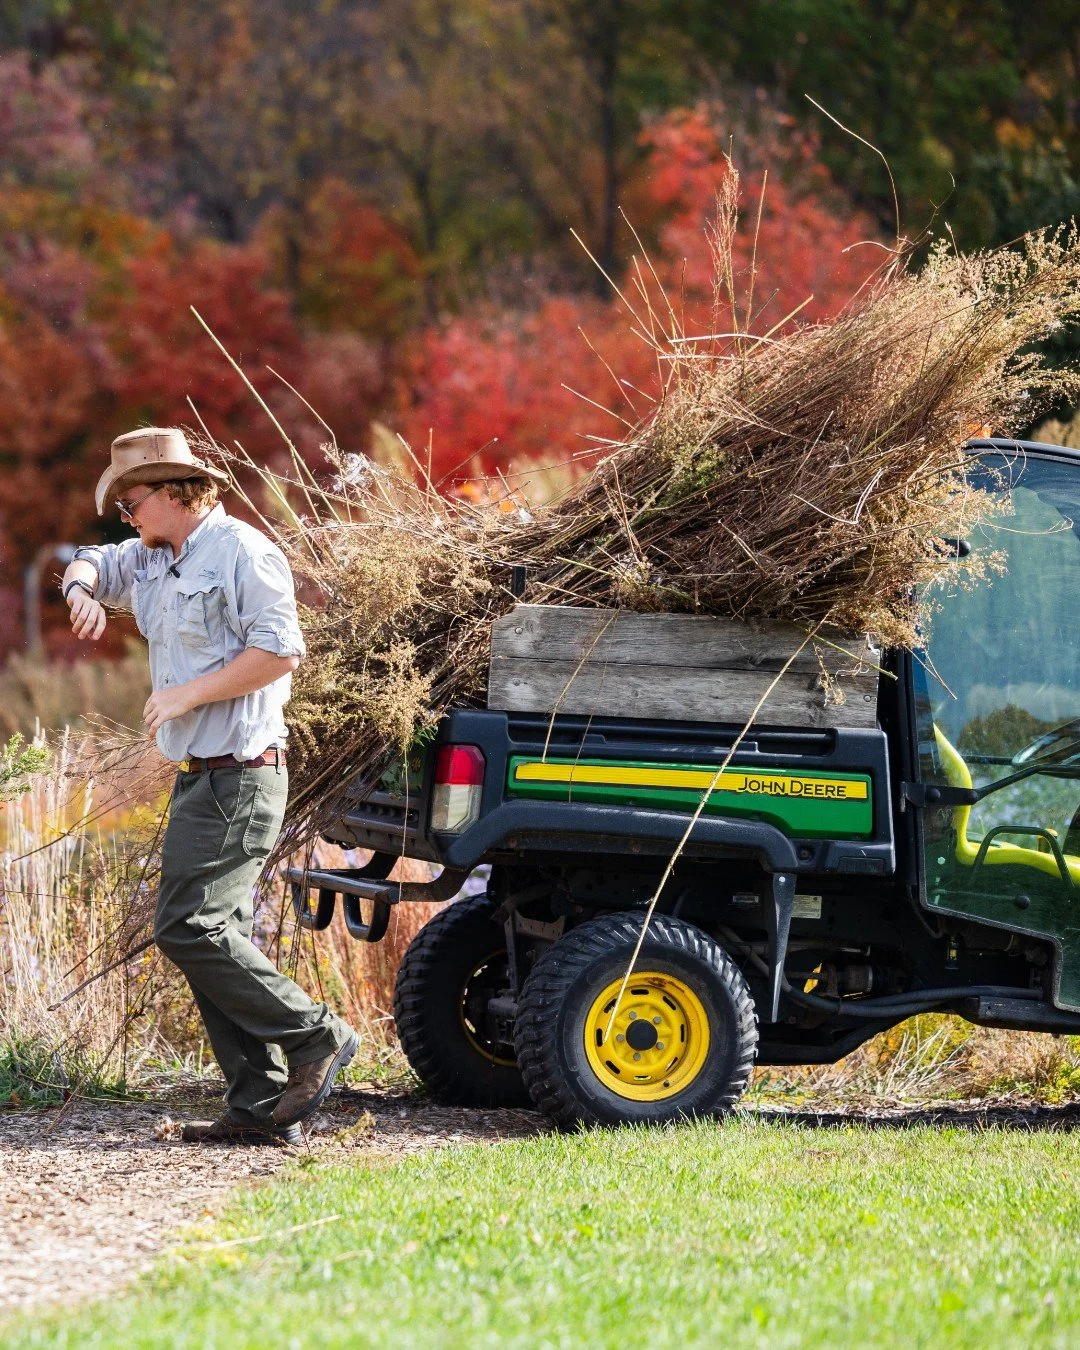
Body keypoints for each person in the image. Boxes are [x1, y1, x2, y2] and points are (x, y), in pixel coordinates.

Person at [62, 427, 358, 1145]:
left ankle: (317, 1036)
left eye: (130, 502)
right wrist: (82, 589)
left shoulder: (243, 552)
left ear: (171, 491)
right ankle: (257, 1108)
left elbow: (282, 650)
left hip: (244, 774)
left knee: (187, 927)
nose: (125, 517)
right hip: (201, 779)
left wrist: (189, 695)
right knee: (206, 930)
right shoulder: (156, 556)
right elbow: (93, 560)